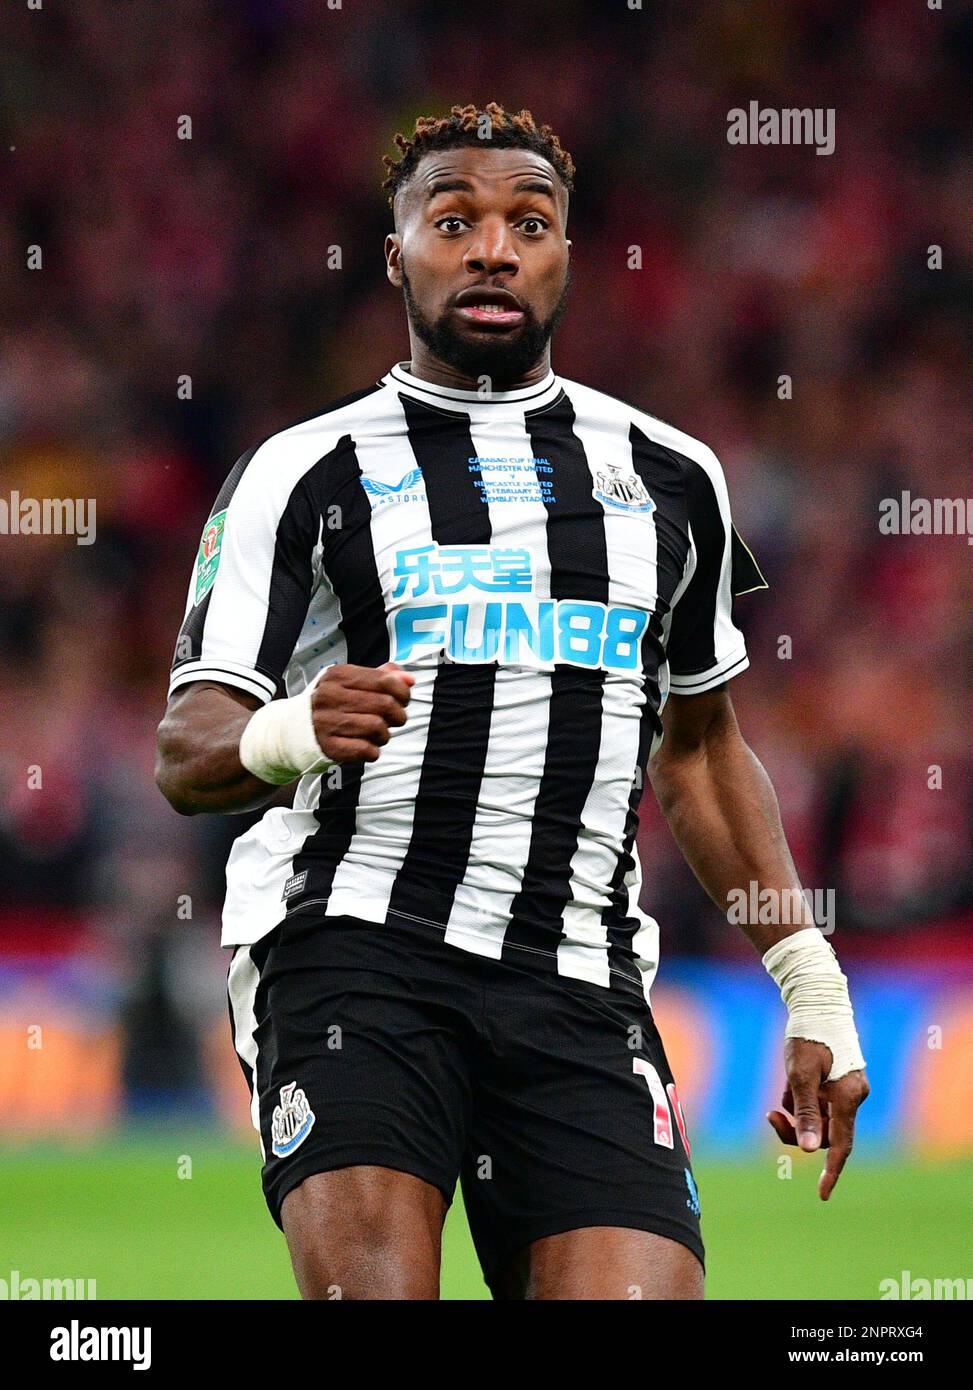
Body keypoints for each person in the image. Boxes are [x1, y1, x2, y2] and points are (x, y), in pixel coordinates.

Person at [155, 103, 868, 1301]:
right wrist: (290, 729)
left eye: (528, 224)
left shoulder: (671, 475)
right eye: (454, 220)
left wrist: (810, 980)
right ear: (397, 255)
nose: (493, 248)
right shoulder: (303, 469)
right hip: (354, 954)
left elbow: (698, 751)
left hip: (579, 980)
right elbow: (188, 746)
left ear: (566, 256)